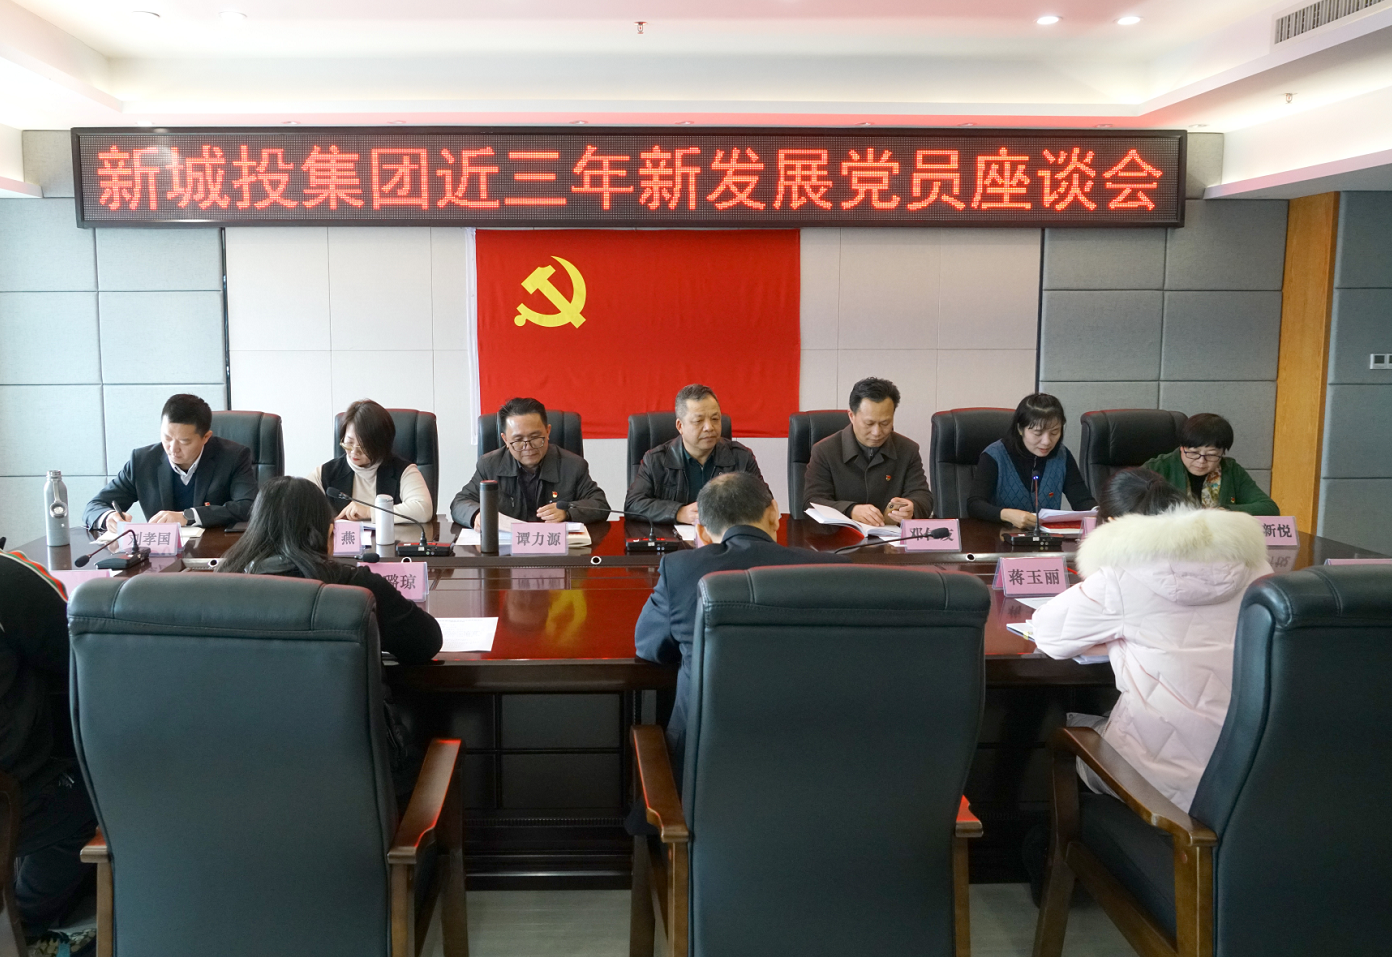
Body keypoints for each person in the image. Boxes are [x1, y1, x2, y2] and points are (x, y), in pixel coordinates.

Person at [1030, 468, 1272, 812]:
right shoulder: (1255, 565)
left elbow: (1049, 634)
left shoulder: (1121, 575)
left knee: (1072, 725)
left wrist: (1110, 636)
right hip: (1252, 772)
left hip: (1162, 785)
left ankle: (1055, 836)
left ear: (1113, 523)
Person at [218, 477, 443, 794]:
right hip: (361, 783)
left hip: (241, 782)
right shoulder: (353, 587)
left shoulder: (218, 590)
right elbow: (425, 643)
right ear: (327, 533)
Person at [634, 472, 845, 772]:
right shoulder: (833, 571)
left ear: (701, 531)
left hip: (702, 774)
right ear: (774, 514)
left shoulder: (680, 569)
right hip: (815, 765)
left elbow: (648, 647)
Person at [0, 549, 98, 945]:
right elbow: (82, 656)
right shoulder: (8, 577)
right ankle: (22, 927)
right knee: (98, 794)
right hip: (15, 800)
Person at [83, 393, 257, 532]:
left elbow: (248, 507)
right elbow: (95, 506)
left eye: (184, 441)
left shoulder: (233, 457)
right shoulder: (143, 461)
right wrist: (108, 517)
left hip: (216, 552)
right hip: (160, 555)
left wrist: (188, 516)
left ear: (206, 437)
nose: (173, 449)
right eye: (167, 437)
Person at [450, 397, 611, 529]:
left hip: (555, 551)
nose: (528, 447)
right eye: (518, 440)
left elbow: (600, 504)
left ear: (547, 431)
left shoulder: (573, 466)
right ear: (505, 439)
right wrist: (477, 515)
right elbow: (460, 502)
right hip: (507, 552)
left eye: (535, 437)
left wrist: (568, 511)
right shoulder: (489, 465)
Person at [625, 384, 764, 524]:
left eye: (715, 419)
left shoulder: (741, 458)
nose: (709, 427)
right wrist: (679, 512)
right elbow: (633, 504)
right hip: (672, 537)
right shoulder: (655, 461)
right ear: (680, 426)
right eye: (698, 421)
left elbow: (765, 503)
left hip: (726, 535)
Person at [803, 377, 934, 525]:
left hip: (891, 536)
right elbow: (812, 502)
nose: (877, 432)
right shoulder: (825, 451)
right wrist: (850, 510)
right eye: (869, 423)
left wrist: (912, 507)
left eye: (885, 423)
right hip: (840, 535)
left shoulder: (908, 450)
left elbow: (923, 496)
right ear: (851, 416)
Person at [967, 392, 1096, 528]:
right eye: (1038, 433)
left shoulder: (1062, 455)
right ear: (1020, 429)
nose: (1047, 441)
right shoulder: (995, 456)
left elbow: (1082, 500)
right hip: (1000, 535)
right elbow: (974, 505)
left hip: (1048, 537)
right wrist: (1007, 514)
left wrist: (1098, 512)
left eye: (1054, 432)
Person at [309, 399, 433, 525]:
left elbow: (424, 509)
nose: (354, 452)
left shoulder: (404, 471)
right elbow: (300, 506)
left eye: (364, 447)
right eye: (349, 443)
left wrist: (370, 512)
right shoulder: (324, 473)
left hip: (393, 538)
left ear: (381, 445)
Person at [1142, 412, 1279, 516]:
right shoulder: (1155, 468)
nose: (1201, 461)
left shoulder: (1231, 470)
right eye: (1194, 453)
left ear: (1223, 452)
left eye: (1211, 455)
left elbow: (1269, 508)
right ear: (1182, 447)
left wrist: (1224, 510)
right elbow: (1131, 509)